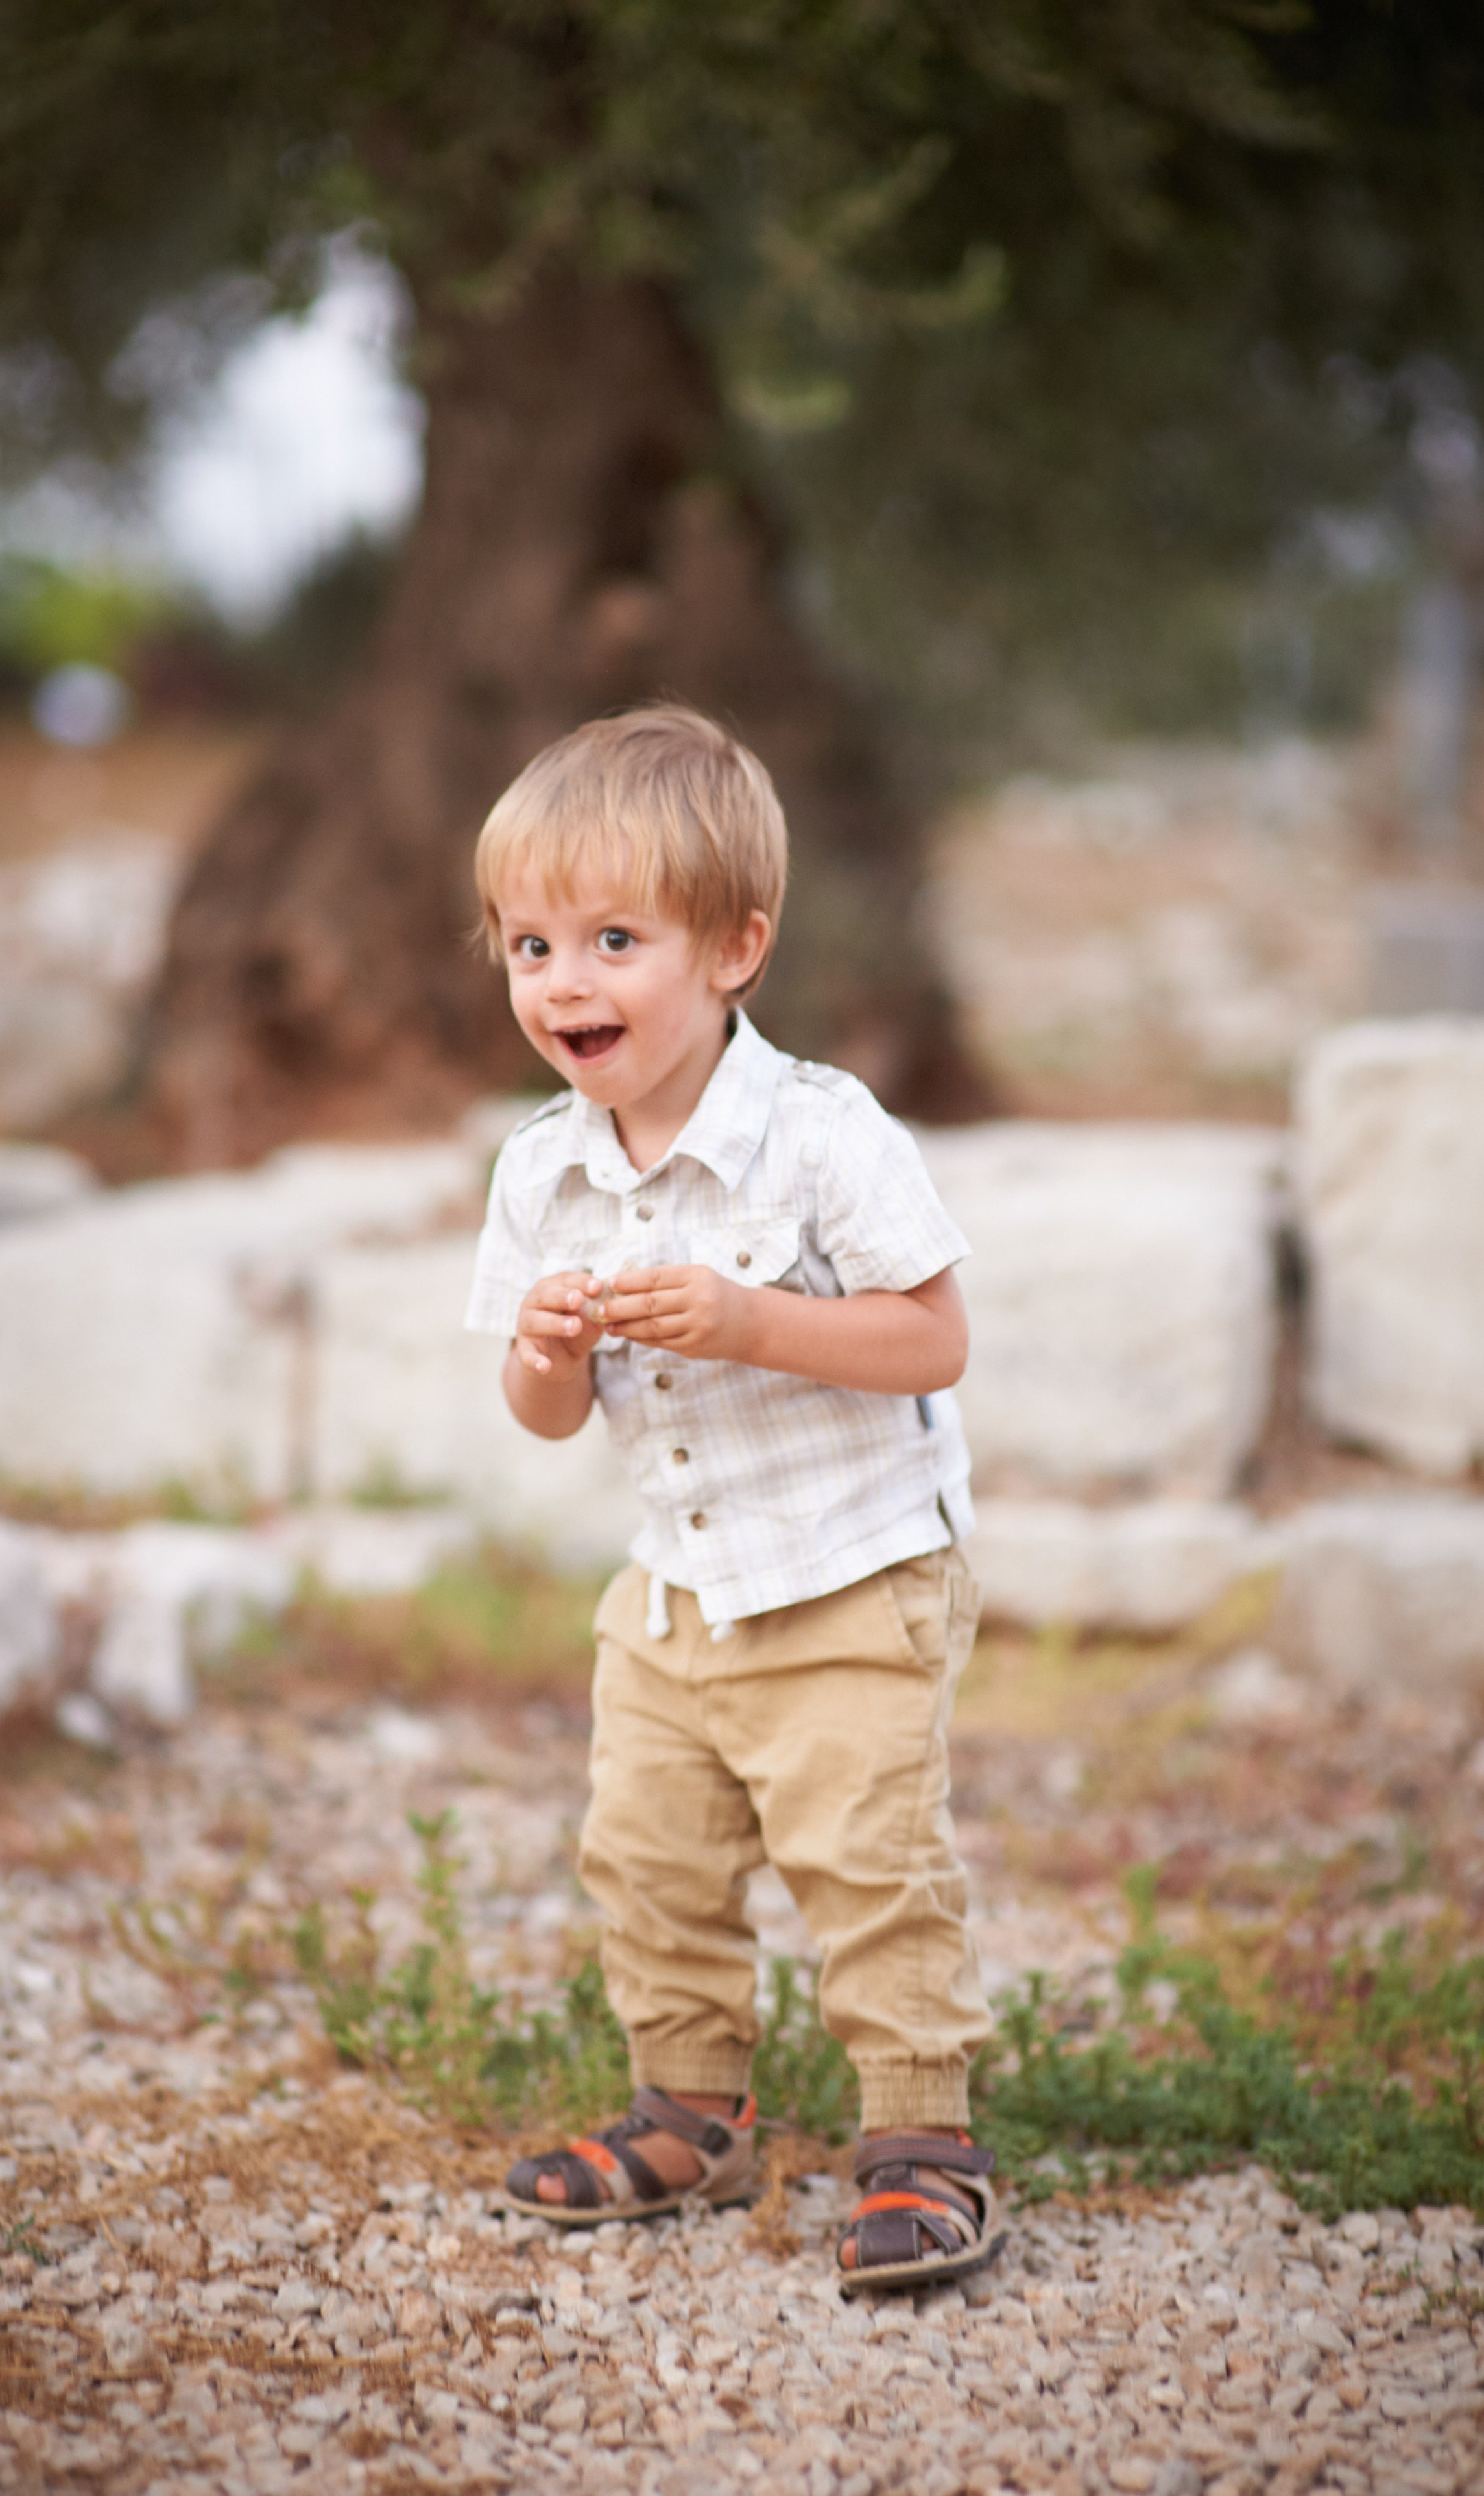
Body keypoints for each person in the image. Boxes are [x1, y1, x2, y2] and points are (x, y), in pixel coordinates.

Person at [464, 705, 998, 2290]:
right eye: (530, 945)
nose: (563, 981)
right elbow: (542, 1415)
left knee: (865, 1861)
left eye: (613, 939)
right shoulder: (538, 1169)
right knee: (648, 1856)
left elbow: (933, 1337)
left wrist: (754, 1319)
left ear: (733, 949)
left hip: (849, 1571)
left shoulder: (822, 1135)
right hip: (676, 1590)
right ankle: (688, 2112)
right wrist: (547, 1351)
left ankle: (922, 2138)